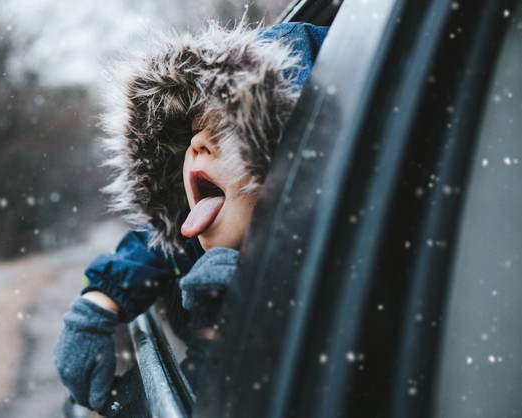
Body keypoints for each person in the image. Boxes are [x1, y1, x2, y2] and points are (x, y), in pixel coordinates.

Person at [54, 20, 328, 416]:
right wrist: (99, 300)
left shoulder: (335, 278)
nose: (197, 142)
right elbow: (158, 244)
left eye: (232, 130)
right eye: (197, 128)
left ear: (297, 165)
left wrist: (224, 322)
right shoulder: (193, 241)